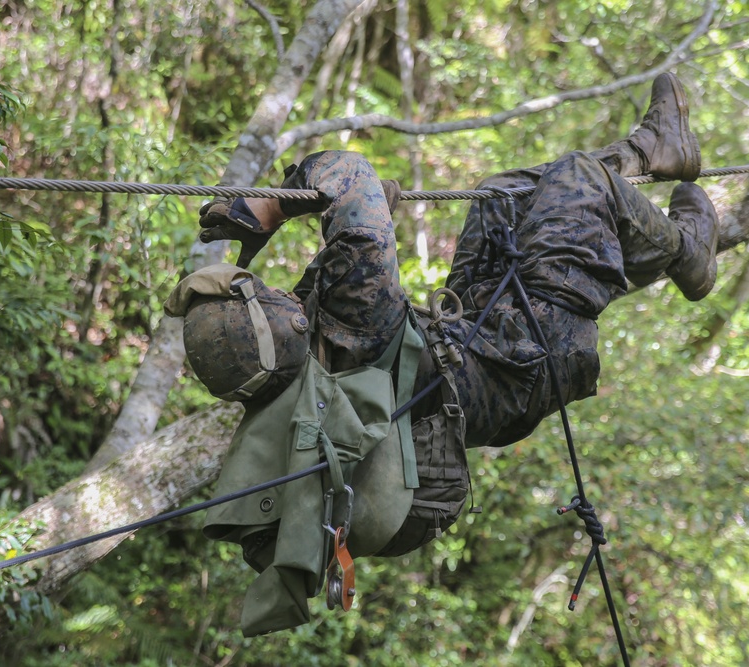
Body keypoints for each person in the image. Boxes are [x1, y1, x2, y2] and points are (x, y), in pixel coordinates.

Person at [164, 73, 718, 634]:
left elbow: (347, 242)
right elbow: (347, 173)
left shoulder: (293, 374)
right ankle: (688, 250)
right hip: (529, 348)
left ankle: (652, 151)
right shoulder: (353, 325)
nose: (274, 291)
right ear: (282, 322)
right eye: (266, 297)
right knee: (581, 180)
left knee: (502, 195)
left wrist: (370, 206)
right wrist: (273, 206)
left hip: (481, 347)